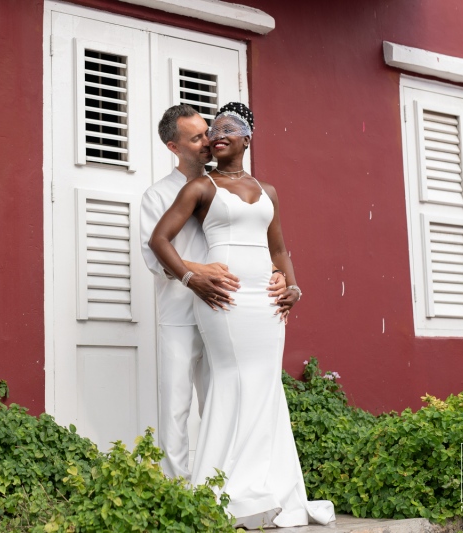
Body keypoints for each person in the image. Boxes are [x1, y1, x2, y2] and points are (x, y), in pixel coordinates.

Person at [149, 103, 335, 528]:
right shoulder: (200, 187)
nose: (218, 134)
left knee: (266, 386)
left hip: (267, 306)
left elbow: (279, 250)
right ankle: (223, 486)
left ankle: (273, 486)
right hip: (225, 302)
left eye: (228, 128)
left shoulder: (267, 190)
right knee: (232, 381)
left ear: (248, 138)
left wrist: (292, 287)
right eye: (213, 130)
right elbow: (159, 240)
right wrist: (190, 278)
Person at [140, 104, 288, 482]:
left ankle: (223, 482)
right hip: (180, 310)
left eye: (207, 132)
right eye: (196, 137)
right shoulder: (158, 195)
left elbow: (260, 242)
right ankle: (175, 487)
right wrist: (194, 272)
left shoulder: (225, 185)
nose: (208, 140)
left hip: (228, 309)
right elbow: (153, 253)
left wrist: (278, 276)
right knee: (176, 403)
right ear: (174, 147)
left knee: (220, 399)